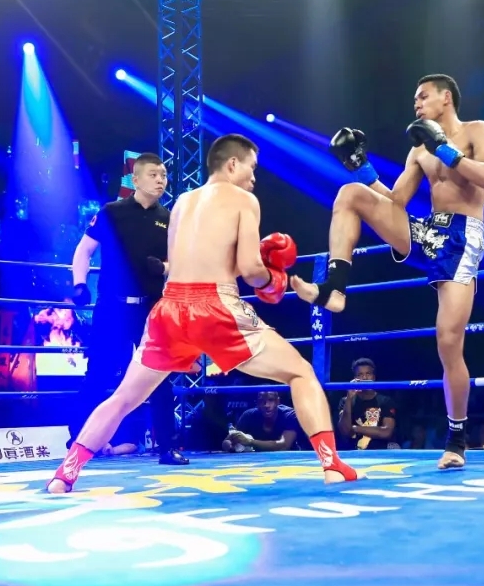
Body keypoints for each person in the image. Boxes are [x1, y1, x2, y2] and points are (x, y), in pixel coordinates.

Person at [47, 134, 363, 493]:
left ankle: (64, 475)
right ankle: (332, 465)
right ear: (232, 164)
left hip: (168, 310)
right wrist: (274, 279)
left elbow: (183, 264)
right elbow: (250, 270)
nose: (254, 177)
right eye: (251, 168)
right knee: (301, 373)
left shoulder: (182, 203)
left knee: (122, 398)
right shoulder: (244, 200)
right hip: (215, 306)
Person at [291, 74, 484, 471]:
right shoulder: (419, 148)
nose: (416, 104)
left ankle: (457, 438)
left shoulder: (477, 131)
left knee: (448, 342)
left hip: (463, 236)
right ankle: (335, 287)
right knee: (350, 194)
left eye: (423, 96)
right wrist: (360, 165)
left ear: (446, 97)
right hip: (428, 230)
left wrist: (446, 150)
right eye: (415, 98)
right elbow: (396, 200)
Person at [68, 152, 188, 465]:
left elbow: (179, 263)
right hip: (113, 307)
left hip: (151, 308)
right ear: (135, 180)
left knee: (160, 377)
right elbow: (84, 250)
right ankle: (79, 441)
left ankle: (167, 447)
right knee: (99, 373)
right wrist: (79, 284)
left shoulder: (169, 218)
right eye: (153, 175)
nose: (160, 181)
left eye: (163, 175)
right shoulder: (112, 212)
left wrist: (163, 268)